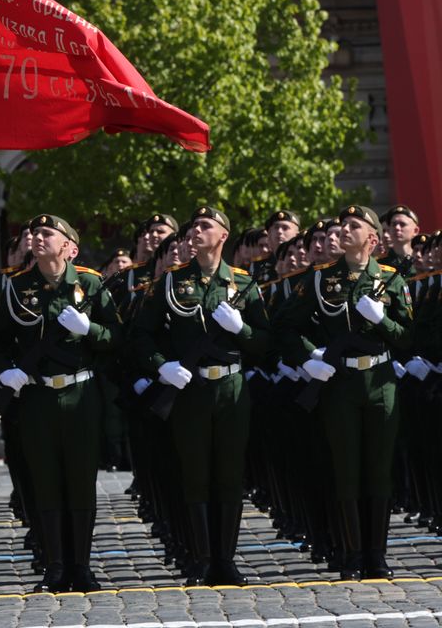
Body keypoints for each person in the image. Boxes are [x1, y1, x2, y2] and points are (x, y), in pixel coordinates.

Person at [131, 207, 271, 585]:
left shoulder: (243, 283)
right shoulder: (171, 282)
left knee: (229, 474)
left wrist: (241, 329)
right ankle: (202, 559)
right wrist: (162, 366)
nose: (196, 231)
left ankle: (226, 560)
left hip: (230, 388)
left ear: (223, 235)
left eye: (205, 226)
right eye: (193, 226)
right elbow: (141, 335)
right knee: (194, 474)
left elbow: (264, 343)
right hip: (190, 389)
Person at [273, 205, 413, 580]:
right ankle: (352, 553)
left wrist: (382, 321)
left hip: (380, 382)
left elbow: (407, 337)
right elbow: (285, 325)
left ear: (372, 238)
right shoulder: (320, 280)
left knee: (379, 469)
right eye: (342, 225)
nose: (344, 230)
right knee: (346, 468)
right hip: (340, 384)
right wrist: (309, 358)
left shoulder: (390, 279)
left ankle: (377, 555)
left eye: (354, 225)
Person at [0, 214, 119, 592]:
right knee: (45, 480)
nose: (37, 237)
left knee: (81, 480)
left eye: (47, 233)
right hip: (37, 396)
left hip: (80, 394)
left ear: (69, 246)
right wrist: (5, 371)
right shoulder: (15, 288)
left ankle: (82, 566)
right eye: (34, 232)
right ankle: (55, 566)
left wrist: (90, 330)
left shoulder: (90, 284)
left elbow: (116, 337)